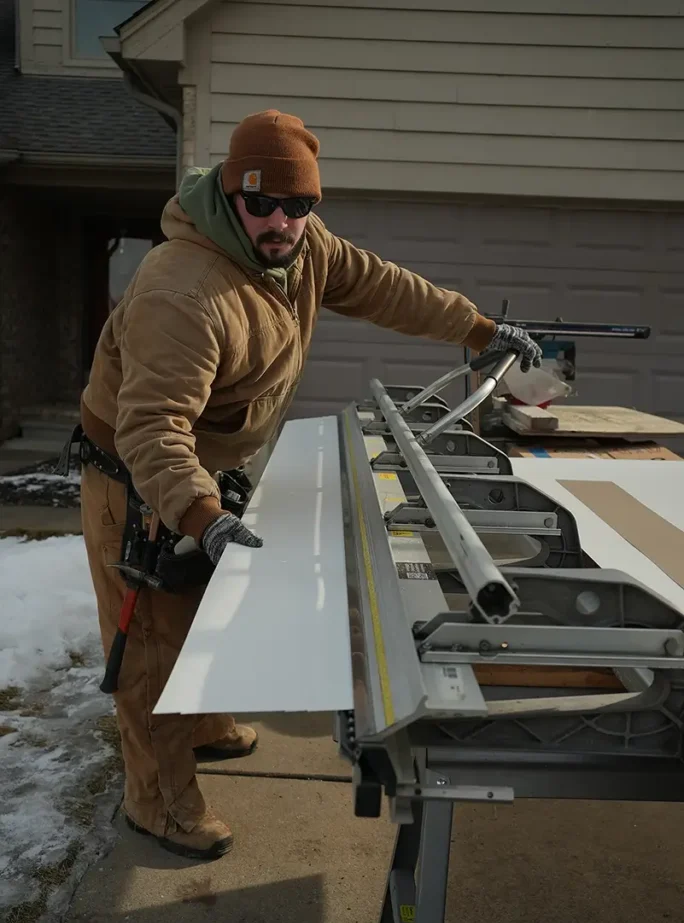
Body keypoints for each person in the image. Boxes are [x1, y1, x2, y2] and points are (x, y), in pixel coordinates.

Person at [77, 109, 542, 861]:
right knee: (152, 645)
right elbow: (152, 430)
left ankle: (201, 726)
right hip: (138, 476)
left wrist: (480, 329)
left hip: (207, 455)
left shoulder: (301, 250)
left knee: (203, 606)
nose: (281, 222)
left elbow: (389, 289)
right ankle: (156, 801)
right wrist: (202, 515)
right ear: (231, 196)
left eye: (298, 206)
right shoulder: (183, 292)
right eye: (262, 203)